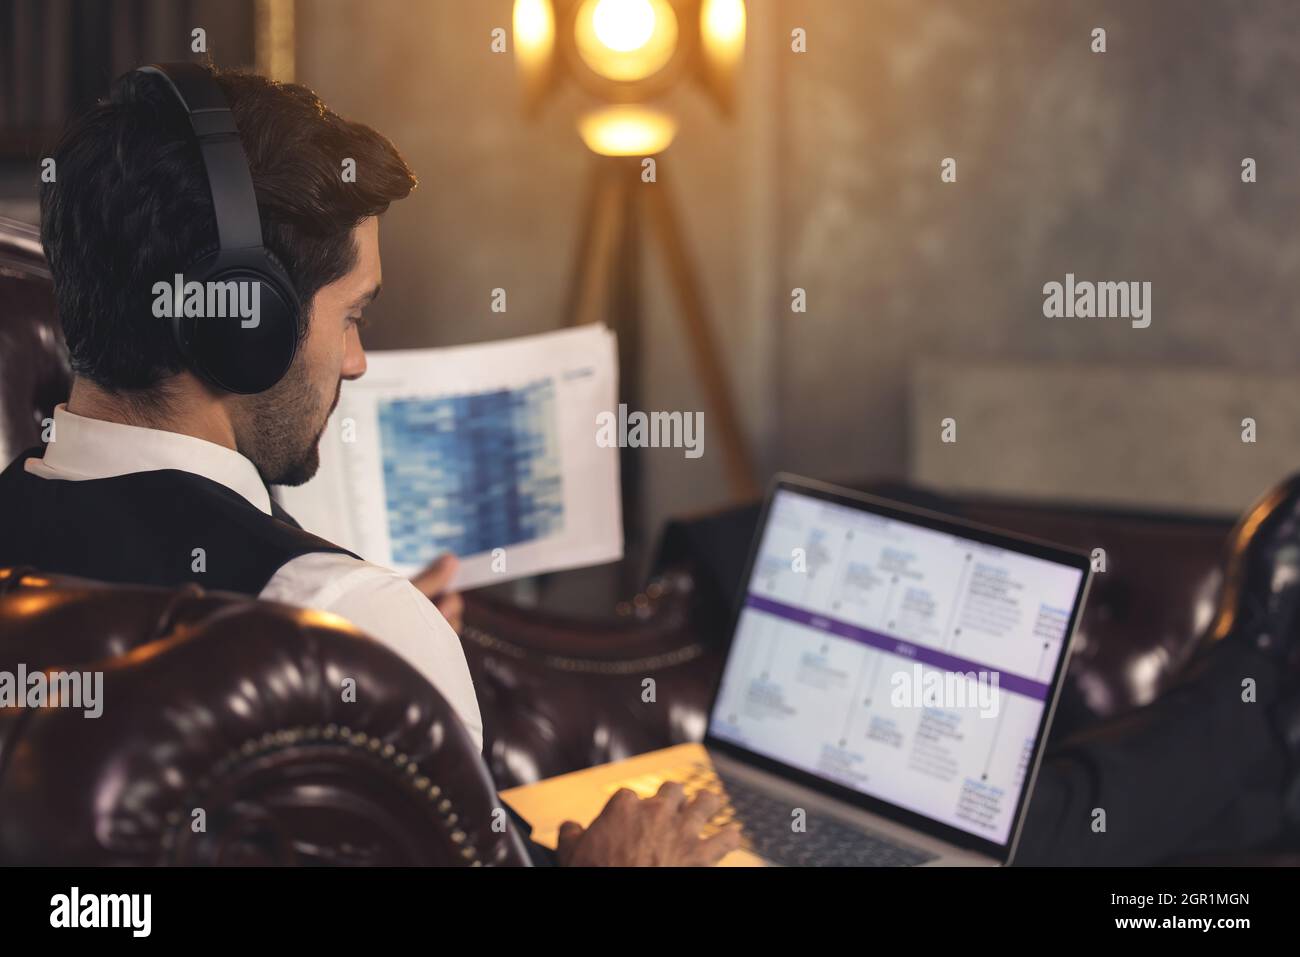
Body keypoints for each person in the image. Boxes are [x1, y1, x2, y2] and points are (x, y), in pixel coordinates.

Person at [0, 64, 740, 867]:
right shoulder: (355, 618)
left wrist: (352, 651)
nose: (355, 361)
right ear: (242, 326)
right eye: (350, 316)